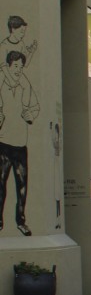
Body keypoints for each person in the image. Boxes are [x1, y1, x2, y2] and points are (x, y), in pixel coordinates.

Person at [0, 50, 40, 236]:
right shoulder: (1, 79)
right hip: (3, 142)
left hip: (20, 144)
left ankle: (21, 221)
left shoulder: (25, 83)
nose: (18, 69)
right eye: (15, 66)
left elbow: (35, 106)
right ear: (8, 65)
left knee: (22, 186)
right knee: (1, 184)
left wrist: (30, 115)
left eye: (21, 66)